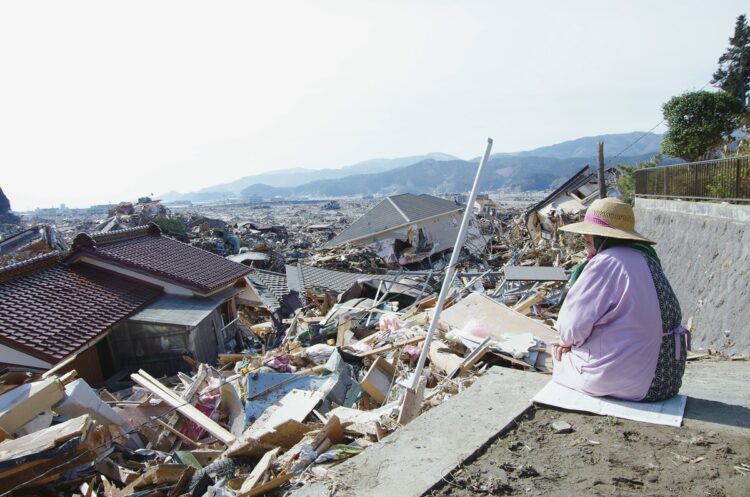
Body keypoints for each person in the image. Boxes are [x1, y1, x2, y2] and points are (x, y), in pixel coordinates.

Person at [552, 197, 688, 402]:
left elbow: (571, 328)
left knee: (557, 356)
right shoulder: (647, 258)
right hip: (666, 381)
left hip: (631, 383)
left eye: (588, 242)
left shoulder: (605, 263)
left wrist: (566, 342)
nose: (587, 249)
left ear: (601, 239)